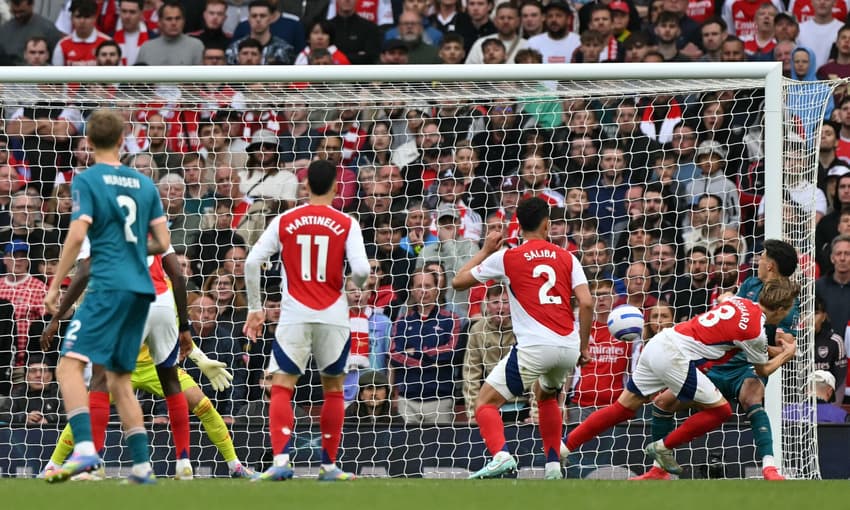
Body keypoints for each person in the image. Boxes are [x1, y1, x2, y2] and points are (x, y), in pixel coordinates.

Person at [42, 109, 170, 484]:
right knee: (119, 378)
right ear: (122, 139)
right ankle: (144, 466)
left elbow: (79, 235)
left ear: (88, 140)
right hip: (142, 291)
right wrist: (132, 246)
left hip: (109, 285)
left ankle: (84, 452)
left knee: (68, 365)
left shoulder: (87, 179)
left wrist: (55, 284)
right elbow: (162, 242)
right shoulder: (145, 185)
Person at [562, 278, 799, 478]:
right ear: (780, 310)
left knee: (623, 408)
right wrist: (788, 353)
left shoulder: (739, 300)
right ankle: (663, 447)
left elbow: (724, 308)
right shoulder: (755, 333)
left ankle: (564, 447)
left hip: (659, 342)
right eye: (789, 309)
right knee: (721, 411)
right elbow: (763, 370)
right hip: (676, 357)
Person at [244, 159, 370, 482]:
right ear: (335, 187)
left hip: (295, 313)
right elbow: (362, 272)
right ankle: (328, 466)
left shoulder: (286, 220)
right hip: (333, 314)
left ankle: (282, 461)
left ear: (306, 186)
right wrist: (353, 285)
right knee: (333, 389)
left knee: (282, 386)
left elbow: (252, 261)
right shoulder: (347, 222)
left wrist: (255, 308)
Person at [635, 239, 801, 481]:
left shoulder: (787, 302)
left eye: (763, 257)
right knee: (663, 402)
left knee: (751, 395)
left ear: (771, 266)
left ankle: (769, 468)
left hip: (748, 366)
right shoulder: (751, 284)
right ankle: (657, 470)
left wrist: (775, 348)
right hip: (720, 360)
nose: (758, 260)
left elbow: (777, 346)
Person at [452, 196, 593, 480]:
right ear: (547, 224)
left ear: (518, 226)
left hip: (535, 346)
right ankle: (553, 467)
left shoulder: (507, 257)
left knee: (485, 403)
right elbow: (587, 303)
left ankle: (501, 455)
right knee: (546, 394)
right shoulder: (567, 257)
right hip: (567, 345)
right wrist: (583, 346)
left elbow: (458, 281)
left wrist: (486, 250)